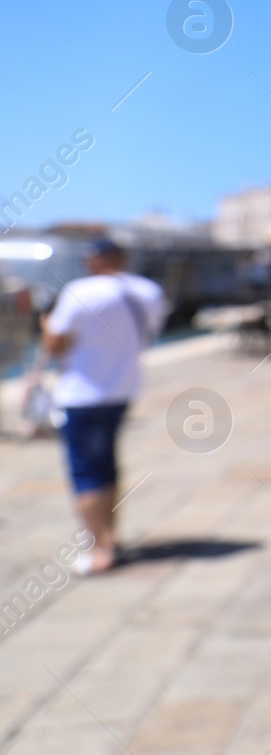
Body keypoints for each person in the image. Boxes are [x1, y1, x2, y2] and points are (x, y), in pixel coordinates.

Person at [40, 238, 167, 574]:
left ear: (95, 259)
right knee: (107, 466)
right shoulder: (148, 291)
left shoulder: (80, 290)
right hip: (123, 390)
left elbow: (55, 344)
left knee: (86, 472)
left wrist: (43, 320)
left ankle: (99, 551)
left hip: (82, 395)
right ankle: (109, 537)